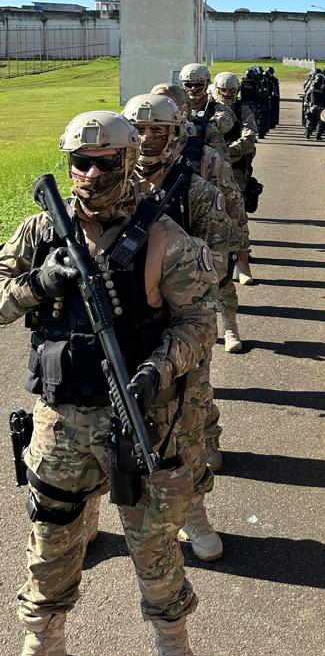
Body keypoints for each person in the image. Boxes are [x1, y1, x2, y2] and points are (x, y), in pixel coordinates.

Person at [0, 111, 217, 656]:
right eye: (81, 163)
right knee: (50, 538)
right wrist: (38, 284)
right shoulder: (41, 231)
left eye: (105, 163)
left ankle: (173, 646)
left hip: (144, 421)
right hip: (61, 421)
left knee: (154, 542)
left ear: (127, 162)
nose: (91, 175)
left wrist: (157, 371)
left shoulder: (164, 237)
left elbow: (198, 324)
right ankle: (42, 644)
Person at [122, 92, 228, 561]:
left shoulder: (196, 191)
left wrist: (175, 274)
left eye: (157, 131)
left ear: (174, 134)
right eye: (139, 131)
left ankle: (194, 512)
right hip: (118, 328)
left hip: (180, 329)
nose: (147, 139)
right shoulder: (106, 184)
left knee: (186, 428)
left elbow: (220, 257)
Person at [152, 82, 249, 363]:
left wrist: (238, 243)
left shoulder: (204, 149)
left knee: (221, 284)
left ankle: (229, 327)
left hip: (202, 230)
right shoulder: (134, 154)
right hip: (159, 240)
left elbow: (230, 197)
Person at [210, 70, 257, 284]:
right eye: (223, 90)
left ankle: (242, 263)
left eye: (231, 90)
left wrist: (224, 152)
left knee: (237, 216)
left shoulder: (242, 110)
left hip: (233, 170)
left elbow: (249, 139)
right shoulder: (208, 109)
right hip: (206, 169)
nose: (228, 94)